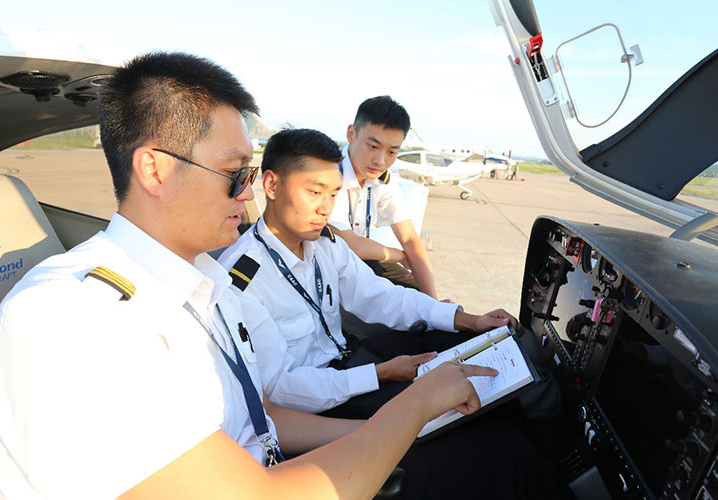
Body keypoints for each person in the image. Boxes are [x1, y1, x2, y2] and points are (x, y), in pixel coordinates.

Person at [0, 52, 500, 500]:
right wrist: (409, 408)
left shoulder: (206, 283)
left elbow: (263, 418)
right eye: (234, 175)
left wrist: (380, 432)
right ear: (155, 170)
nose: (248, 195)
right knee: (495, 466)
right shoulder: (71, 316)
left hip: (270, 466)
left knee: (480, 450)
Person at [219, 128, 521, 420]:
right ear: (271, 186)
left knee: (461, 339)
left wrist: (469, 319)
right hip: (322, 399)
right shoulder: (242, 279)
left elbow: (381, 297)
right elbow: (282, 388)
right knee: (450, 406)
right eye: (314, 192)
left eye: (334, 194)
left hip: (353, 359)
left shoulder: (324, 244)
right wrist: (382, 373)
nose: (325, 208)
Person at [328, 96, 440, 297]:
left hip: (361, 260)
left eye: (391, 152)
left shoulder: (382, 180)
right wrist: (398, 255)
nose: (380, 161)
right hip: (328, 266)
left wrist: (434, 304)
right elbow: (350, 244)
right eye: (373, 146)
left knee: (419, 294)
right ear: (351, 134)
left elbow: (410, 238)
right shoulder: (329, 174)